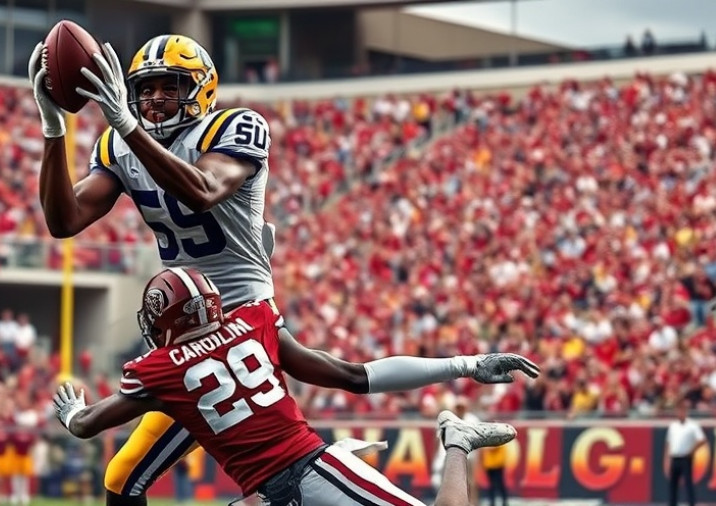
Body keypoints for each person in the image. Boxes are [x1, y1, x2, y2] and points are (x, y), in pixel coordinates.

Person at [31, 32, 279, 506]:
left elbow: (204, 190)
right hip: (188, 334)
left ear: (201, 88)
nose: (155, 98)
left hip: (245, 324)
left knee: (276, 476)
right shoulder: (118, 146)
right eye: (145, 89)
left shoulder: (236, 126)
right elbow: (64, 221)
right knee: (125, 479)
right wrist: (53, 128)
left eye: (170, 86)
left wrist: (128, 125)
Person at [52, 267, 540, 506]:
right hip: (285, 484)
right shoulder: (255, 319)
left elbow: (88, 425)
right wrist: (466, 363)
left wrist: (71, 412)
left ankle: (456, 441)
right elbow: (356, 375)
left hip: (306, 474)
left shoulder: (159, 369)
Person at [665, 400, 706, 506]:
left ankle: (691, 503)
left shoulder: (692, 425)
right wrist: (667, 460)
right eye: (678, 411)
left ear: (685, 412)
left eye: (682, 411)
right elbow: (668, 443)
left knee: (688, 484)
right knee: (673, 485)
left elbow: (702, 439)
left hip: (685, 458)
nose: (680, 413)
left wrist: (691, 450)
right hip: (675, 457)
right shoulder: (673, 426)